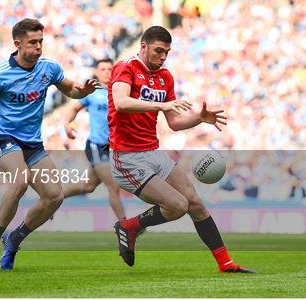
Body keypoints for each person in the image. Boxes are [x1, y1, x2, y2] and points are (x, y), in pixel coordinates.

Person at [0, 18, 99, 270]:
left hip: (33, 144)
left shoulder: (49, 69)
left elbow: (70, 90)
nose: (39, 47)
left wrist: (82, 92)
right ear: (17, 44)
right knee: (19, 180)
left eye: (41, 41)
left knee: (55, 196)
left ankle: (16, 237)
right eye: (33, 42)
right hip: (3, 139)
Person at [108, 25, 256, 273]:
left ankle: (226, 264)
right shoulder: (125, 67)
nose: (163, 57)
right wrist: (161, 107)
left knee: (195, 202)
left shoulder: (165, 77)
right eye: (158, 50)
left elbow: (175, 123)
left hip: (153, 152)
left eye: (167, 52)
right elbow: (121, 103)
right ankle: (131, 226)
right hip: (127, 158)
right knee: (177, 205)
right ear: (143, 46)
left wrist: (199, 118)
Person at [61, 59, 126, 220]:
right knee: (113, 185)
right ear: (97, 72)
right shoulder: (92, 93)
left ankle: (54, 197)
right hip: (97, 145)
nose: (106, 72)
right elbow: (73, 108)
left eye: (110, 69)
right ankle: (124, 225)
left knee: (88, 186)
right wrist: (67, 124)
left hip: (113, 148)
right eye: (103, 69)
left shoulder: (120, 93)